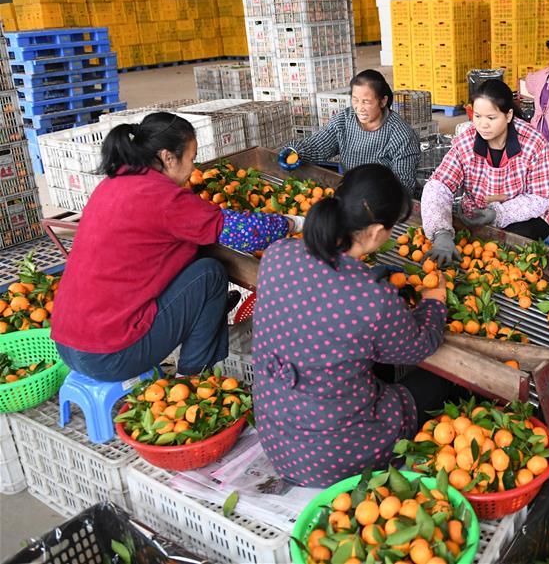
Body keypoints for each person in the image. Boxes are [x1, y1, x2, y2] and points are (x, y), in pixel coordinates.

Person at [51, 113, 296, 382]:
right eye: (191, 158)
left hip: (67, 342)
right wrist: (293, 223)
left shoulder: (113, 183)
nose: (193, 167)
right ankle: (191, 379)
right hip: (111, 354)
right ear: (168, 157)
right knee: (210, 273)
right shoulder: (164, 199)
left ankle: (216, 327)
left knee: (191, 260)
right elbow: (245, 233)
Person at [252, 164, 449, 487]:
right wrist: (433, 302)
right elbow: (420, 345)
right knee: (438, 382)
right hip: (337, 455)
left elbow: (319, 308)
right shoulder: (372, 299)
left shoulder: (277, 255)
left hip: (278, 439)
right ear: (374, 233)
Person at [421, 80, 549, 262]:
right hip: (480, 213)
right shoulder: (466, 142)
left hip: (529, 212)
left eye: (491, 118)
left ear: (509, 115)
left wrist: (499, 213)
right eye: (478, 116)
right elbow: (439, 185)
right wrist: (440, 233)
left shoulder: (533, 142)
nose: (483, 125)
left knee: (512, 243)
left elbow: (539, 199)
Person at [278, 70, 420, 193]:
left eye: (366, 102)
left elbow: (403, 184)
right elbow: (319, 144)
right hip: (351, 192)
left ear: (383, 101)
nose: (359, 108)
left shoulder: (402, 135)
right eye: (355, 100)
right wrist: (296, 151)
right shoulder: (345, 120)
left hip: (383, 200)